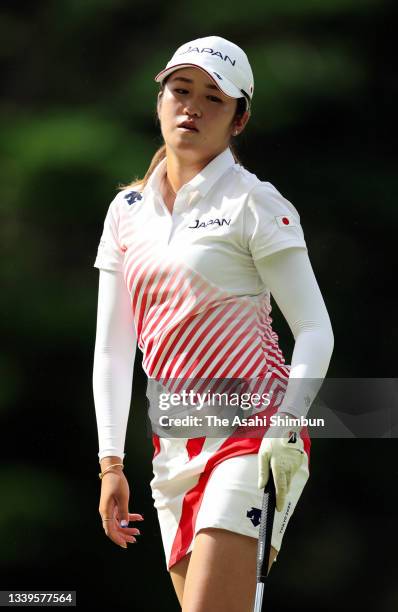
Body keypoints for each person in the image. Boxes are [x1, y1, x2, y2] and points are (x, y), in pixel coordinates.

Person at [92, 35, 334, 612]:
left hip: (256, 430)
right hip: (173, 443)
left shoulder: (254, 201)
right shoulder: (126, 211)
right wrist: (110, 462)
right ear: (159, 102)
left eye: (213, 98)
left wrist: (286, 422)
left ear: (238, 119)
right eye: (180, 91)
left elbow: (316, 329)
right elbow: (111, 349)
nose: (191, 107)